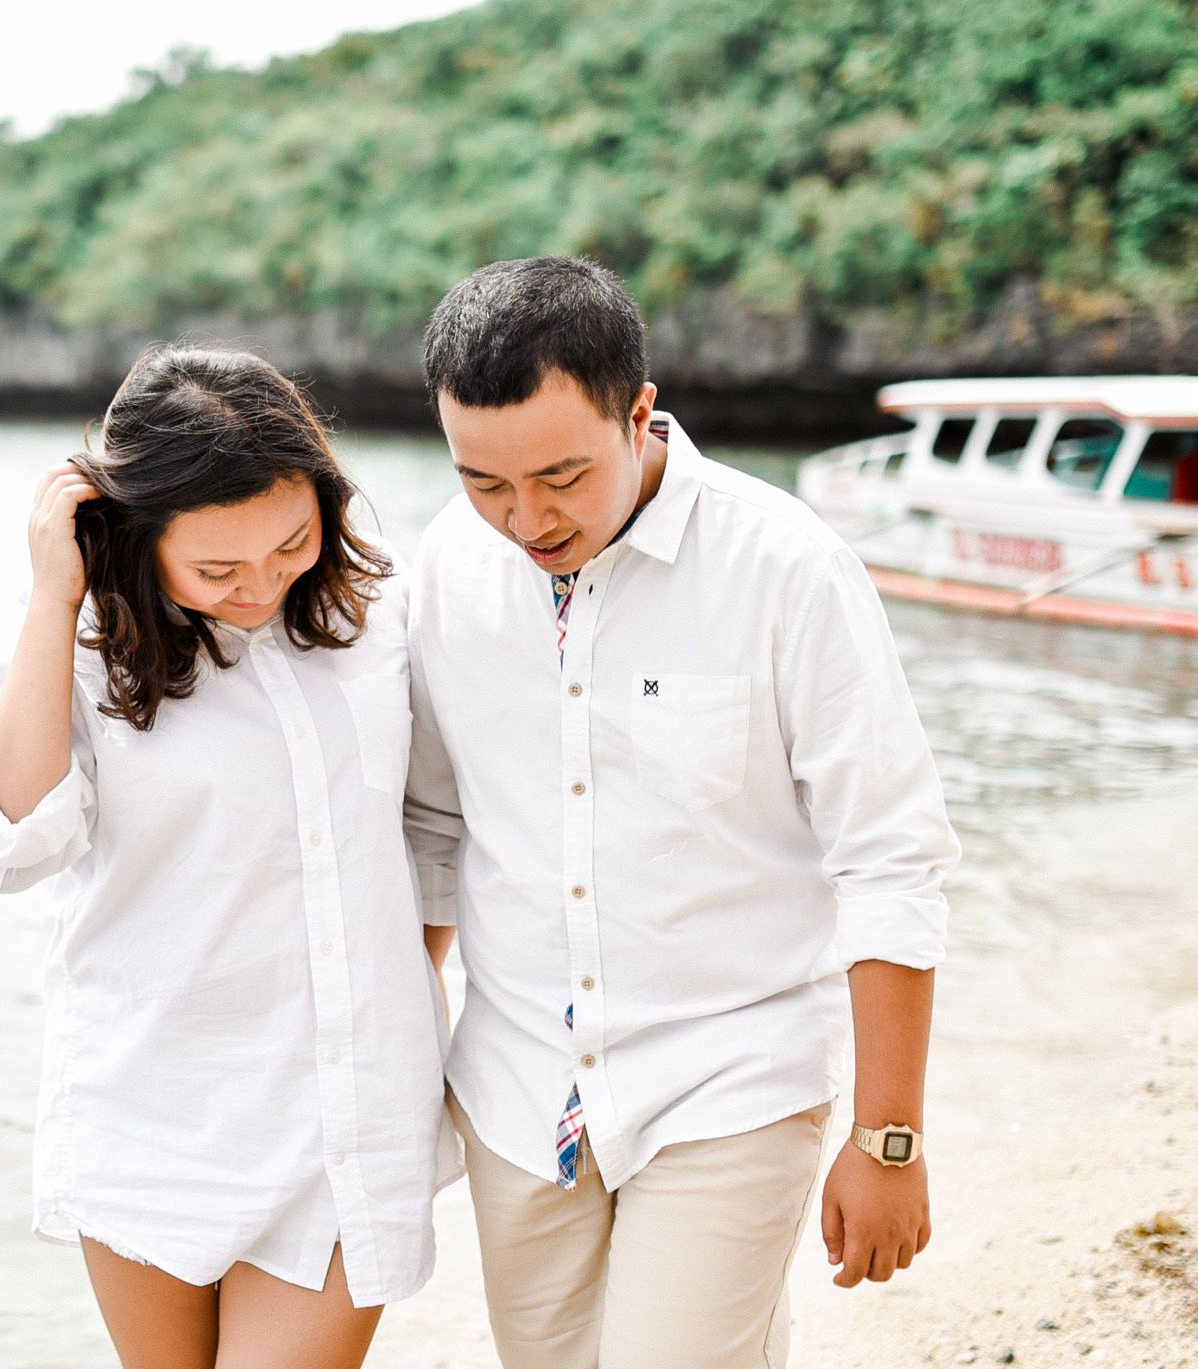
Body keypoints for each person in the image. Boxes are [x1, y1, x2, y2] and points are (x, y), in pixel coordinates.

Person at [405, 256, 959, 1368]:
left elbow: (888, 858)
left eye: (561, 476)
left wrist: (887, 1137)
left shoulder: (785, 568)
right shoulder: (447, 566)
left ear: (639, 414)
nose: (524, 518)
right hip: (519, 1087)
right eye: (483, 481)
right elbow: (431, 833)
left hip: (730, 1074)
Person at [0, 345, 457, 1369]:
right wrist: (53, 597)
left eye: (291, 543)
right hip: (154, 1109)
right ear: (135, 533)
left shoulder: (379, 613)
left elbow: (432, 837)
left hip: (342, 1119)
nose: (260, 584)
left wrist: (391, 1003)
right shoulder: (80, 644)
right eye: (217, 569)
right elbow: (4, 847)